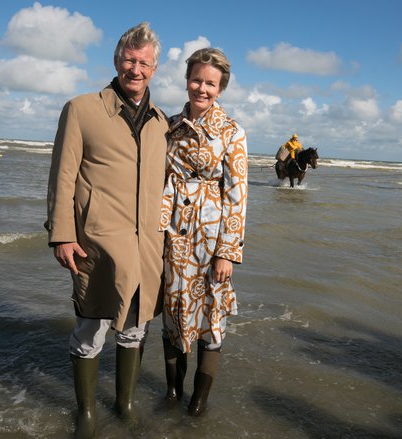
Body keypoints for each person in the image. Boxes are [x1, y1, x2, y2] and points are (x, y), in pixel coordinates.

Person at [45, 22, 168, 438]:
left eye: (145, 62)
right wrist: (62, 233)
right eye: (130, 60)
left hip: (147, 246)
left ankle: (125, 404)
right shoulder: (81, 109)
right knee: (91, 327)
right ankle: (86, 413)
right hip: (95, 244)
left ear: (155, 67)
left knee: (135, 328)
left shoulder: (161, 122)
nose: (136, 69)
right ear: (117, 61)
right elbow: (62, 176)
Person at [158, 47, 248, 417]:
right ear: (187, 80)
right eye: (196, 79)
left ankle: (199, 401)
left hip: (212, 240)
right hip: (172, 235)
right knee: (172, 312)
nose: (202, 88)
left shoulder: (232, 132)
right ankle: (172, 393)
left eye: (211, 83)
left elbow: (238, 194)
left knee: (212, 319)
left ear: (221, 87)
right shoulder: (169, 125)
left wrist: (228, 251)